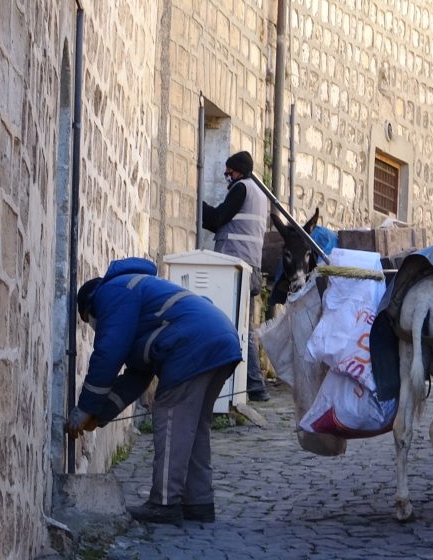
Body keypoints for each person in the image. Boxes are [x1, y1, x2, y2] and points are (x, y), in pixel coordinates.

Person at [65, 257, 243, 525]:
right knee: (194, 428)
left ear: (90, 307)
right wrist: (100, 415)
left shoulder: (111, 293)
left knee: (171, 421)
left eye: (88, 321)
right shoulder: (140, 293)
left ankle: (164, 503)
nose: (92, 327)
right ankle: (199, 502)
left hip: (192, 344)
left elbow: (108, 352)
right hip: (220, 340)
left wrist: (85, 408)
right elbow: (137, 378)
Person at [201, 150, 271, 402]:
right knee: (244, 328)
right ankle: (253, 385)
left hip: (235, 263)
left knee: (234, 327)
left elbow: (220, 218)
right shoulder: (258, 192)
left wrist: (198, 203)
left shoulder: (241, 188)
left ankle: (250, 385)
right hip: (251, 264)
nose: (226, 175)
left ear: (238, 171)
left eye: (229, 170)